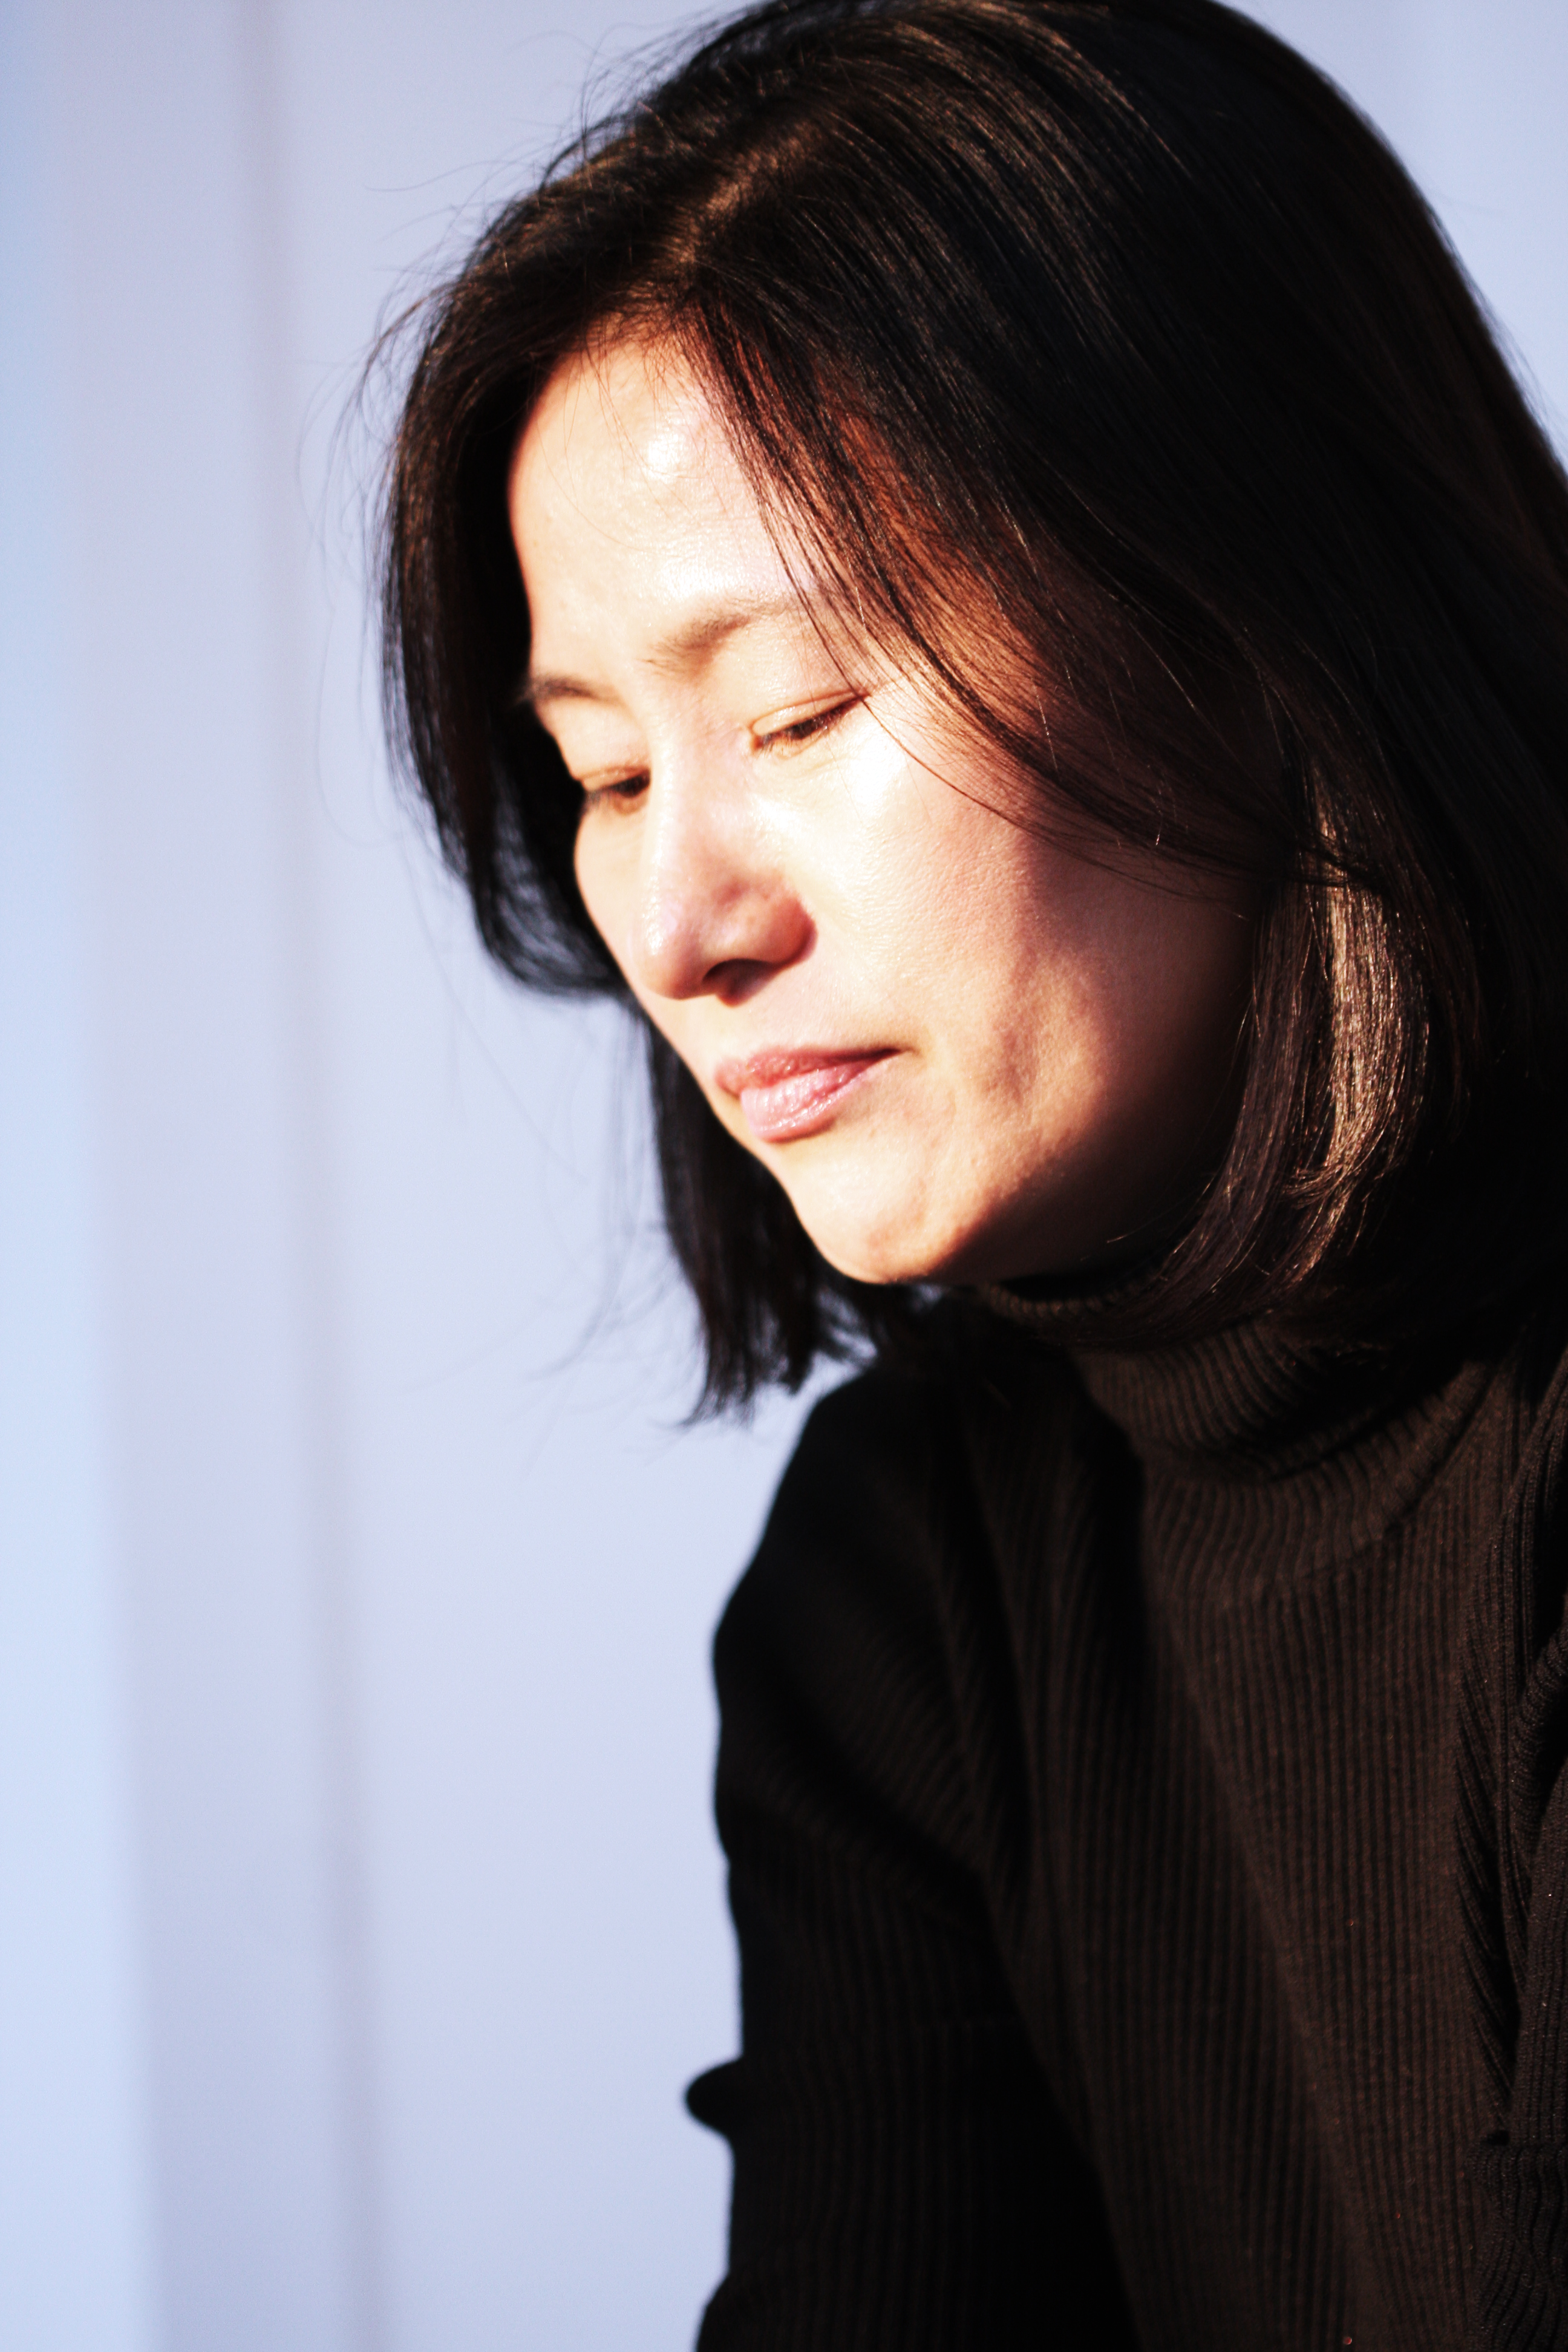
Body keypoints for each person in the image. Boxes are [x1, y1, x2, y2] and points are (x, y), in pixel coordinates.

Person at [377, 0, 1568, 2341]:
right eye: (607, 774)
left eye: (799, 709)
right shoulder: (914, 1569)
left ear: (1265, 620)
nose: (683, 925)